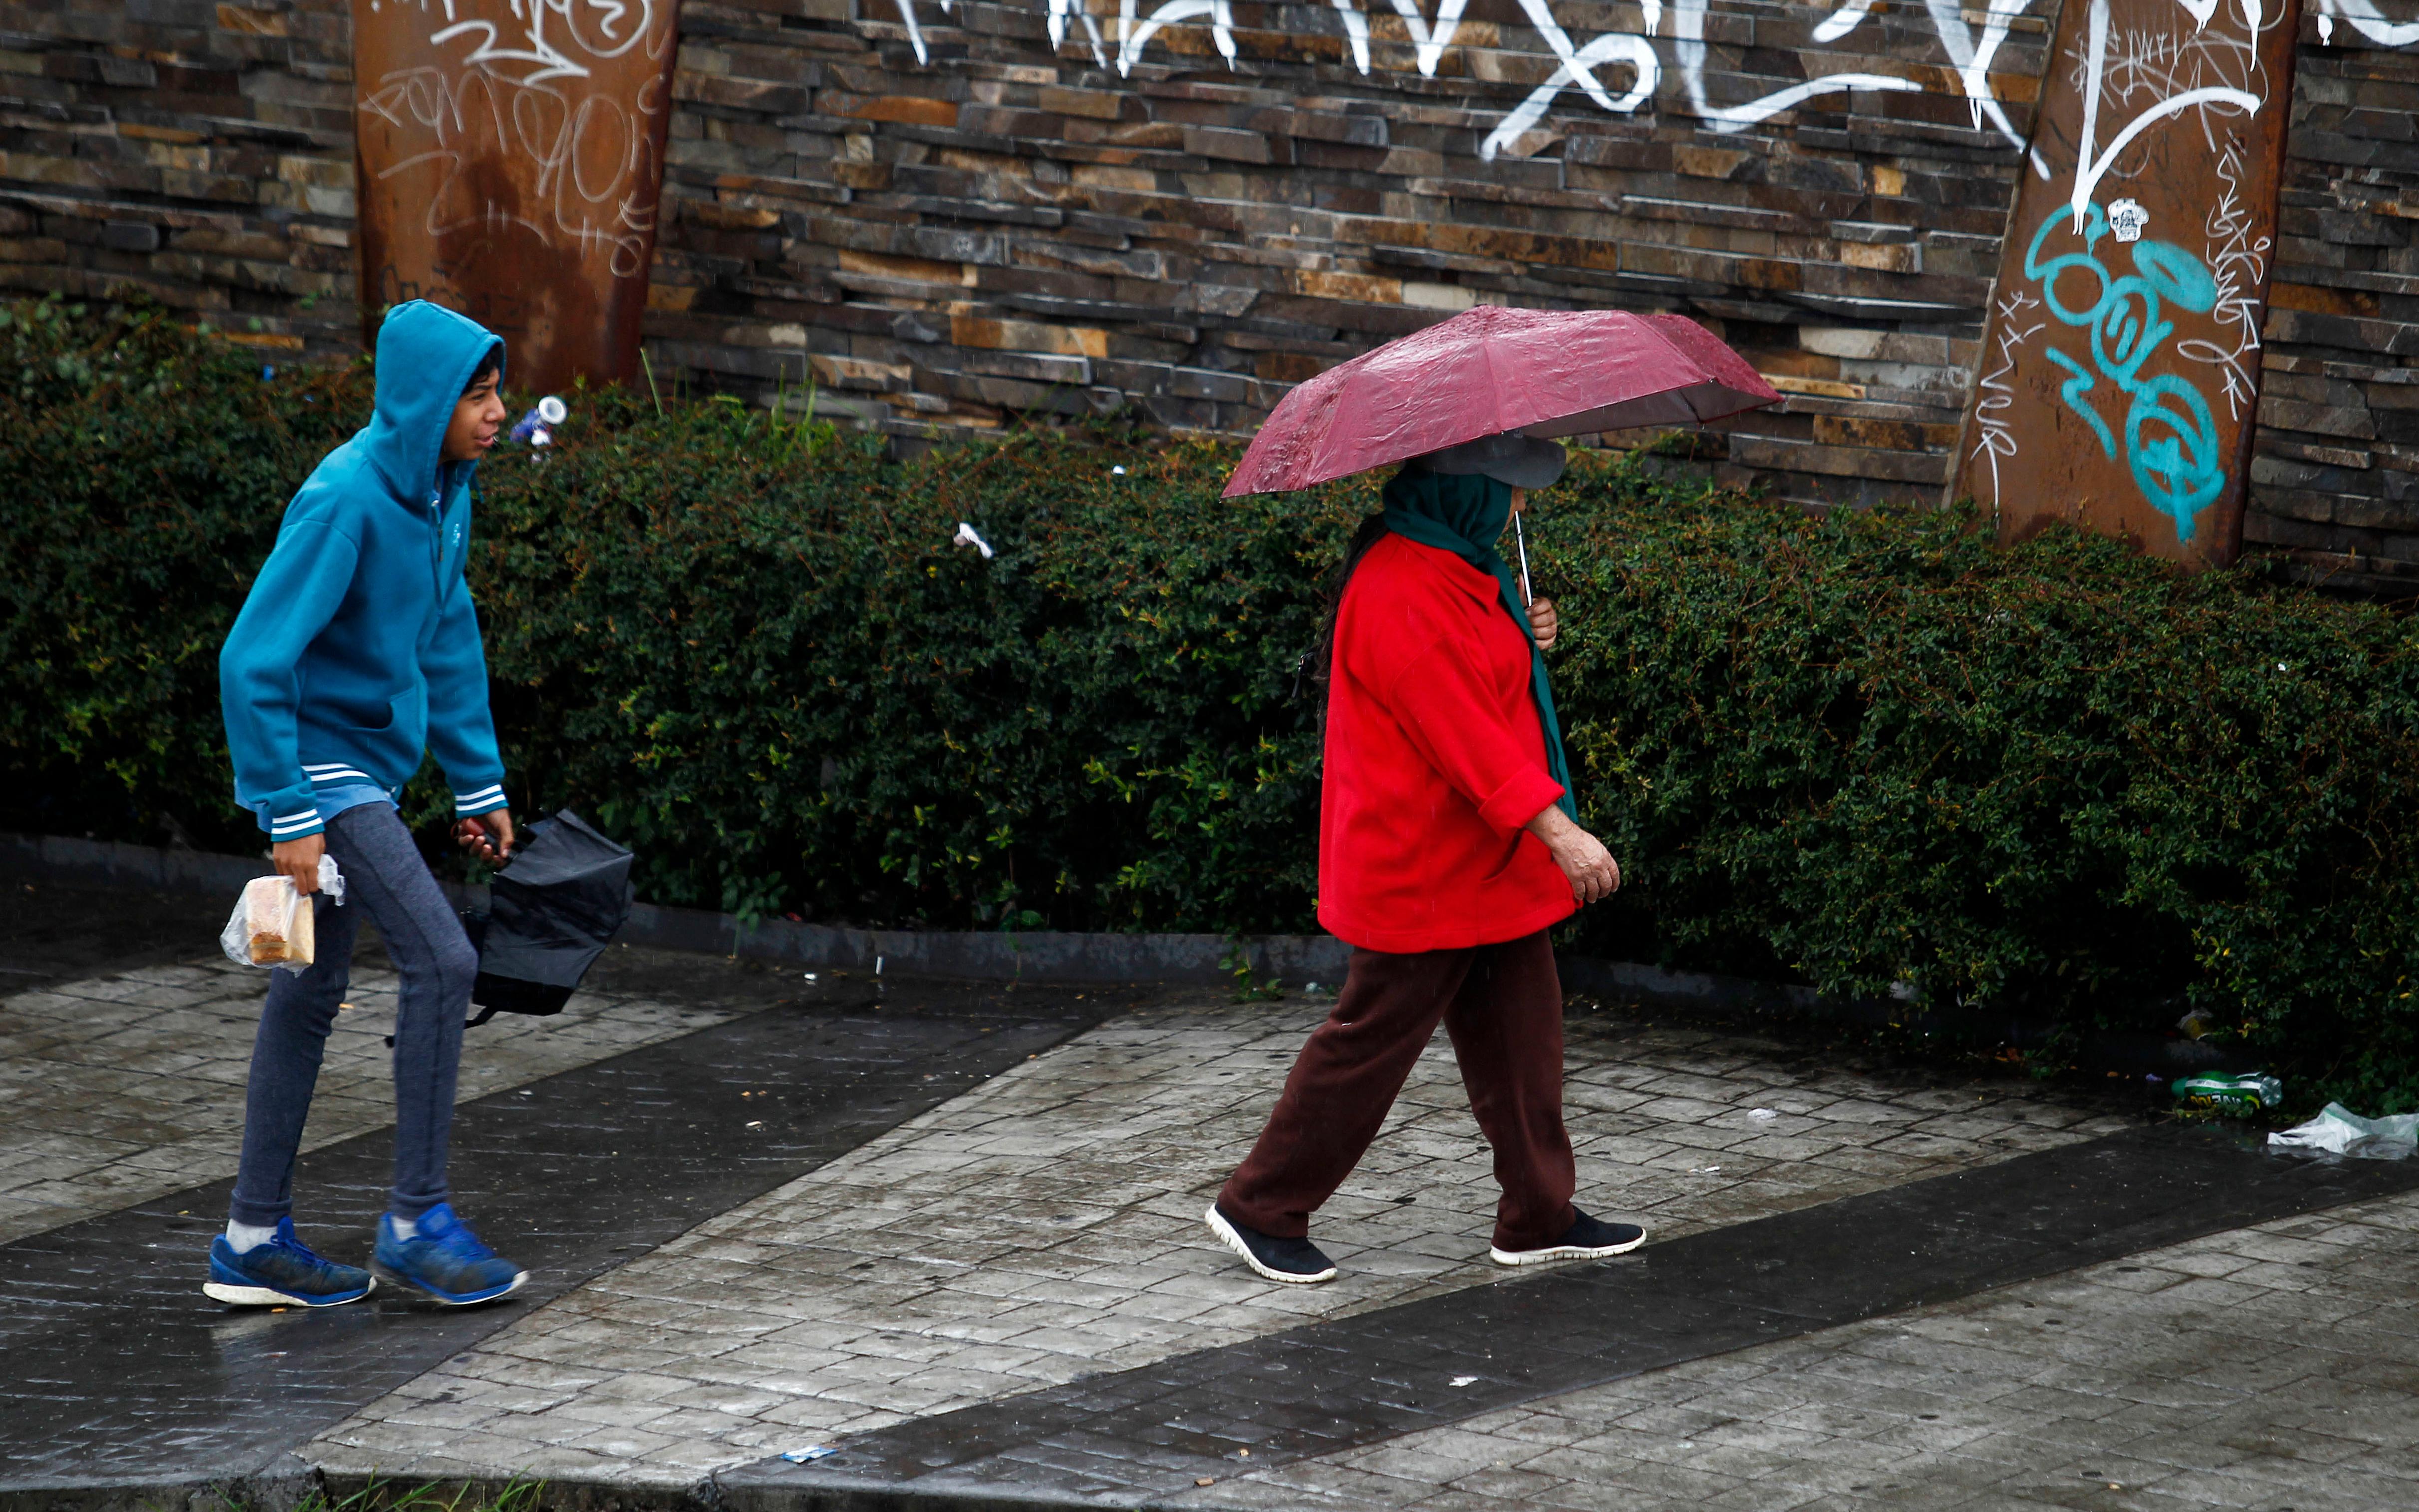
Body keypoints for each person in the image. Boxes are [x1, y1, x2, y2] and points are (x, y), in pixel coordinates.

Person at [1206, 432, 1643, 1284]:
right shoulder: (1402, 581)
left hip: (1484, 860)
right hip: (1426, 866)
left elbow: (1482, 680)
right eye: (1509, 489)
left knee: (1524, 1040)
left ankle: (1538, 1213)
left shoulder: (1455, 564)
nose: (1522, 504)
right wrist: (1561, 832)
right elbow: (1464, 733)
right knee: (1369, 1044)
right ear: (1466, 490)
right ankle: (1257, 1206)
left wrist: (1524, 626)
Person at [205, 300, 528, 1309]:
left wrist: (478, 783)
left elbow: (447, 634)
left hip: (369, 772)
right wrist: (288, 813)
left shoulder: (443, 495)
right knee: (442, 958)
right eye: (477, 396)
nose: (496, 412)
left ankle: (252, 1241)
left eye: (496, 393)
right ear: (425, 401)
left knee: (307, 992)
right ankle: (415, 1222)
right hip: (324, 775)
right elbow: (251, 658)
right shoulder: (345, 499)